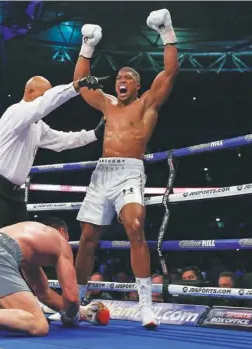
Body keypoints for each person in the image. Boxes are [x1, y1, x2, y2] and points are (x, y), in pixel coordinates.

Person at [72, 9, 179, 328]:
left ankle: (146, 305)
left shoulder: (146, 104)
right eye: (119, 77)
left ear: (137, 84)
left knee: (135, 225)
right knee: (88, 237)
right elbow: (79, 83)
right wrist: (87, 47)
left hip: (131, 170)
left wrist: (167, 32)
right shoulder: (106, 103)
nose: (121, 81)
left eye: (128, 78)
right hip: (103, 171)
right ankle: (75, 301)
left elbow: (170, 73)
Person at [0, 76, 107, 243]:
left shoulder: (37, 126)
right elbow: (46, 103)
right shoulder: (16, 112)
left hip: (15, 195)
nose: (47, 100)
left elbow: (62, 141)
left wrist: (93, 134)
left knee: (23, 247)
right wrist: (76, 86)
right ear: (29, 93)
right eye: (44, 95)